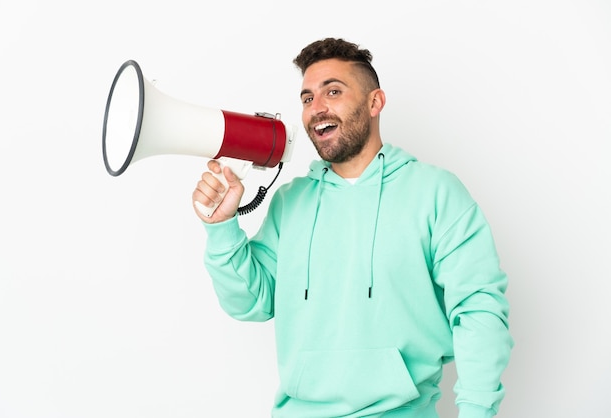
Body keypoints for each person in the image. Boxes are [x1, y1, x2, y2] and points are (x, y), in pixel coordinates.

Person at [192, 38, 513, 418]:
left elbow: (479, 309)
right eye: (308, 98)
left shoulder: (435, 192)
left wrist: (476, 411)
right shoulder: (290, 202)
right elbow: (252, 303)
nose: (317, 108)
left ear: (375, 102)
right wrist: (223, 227)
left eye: (333, 91)